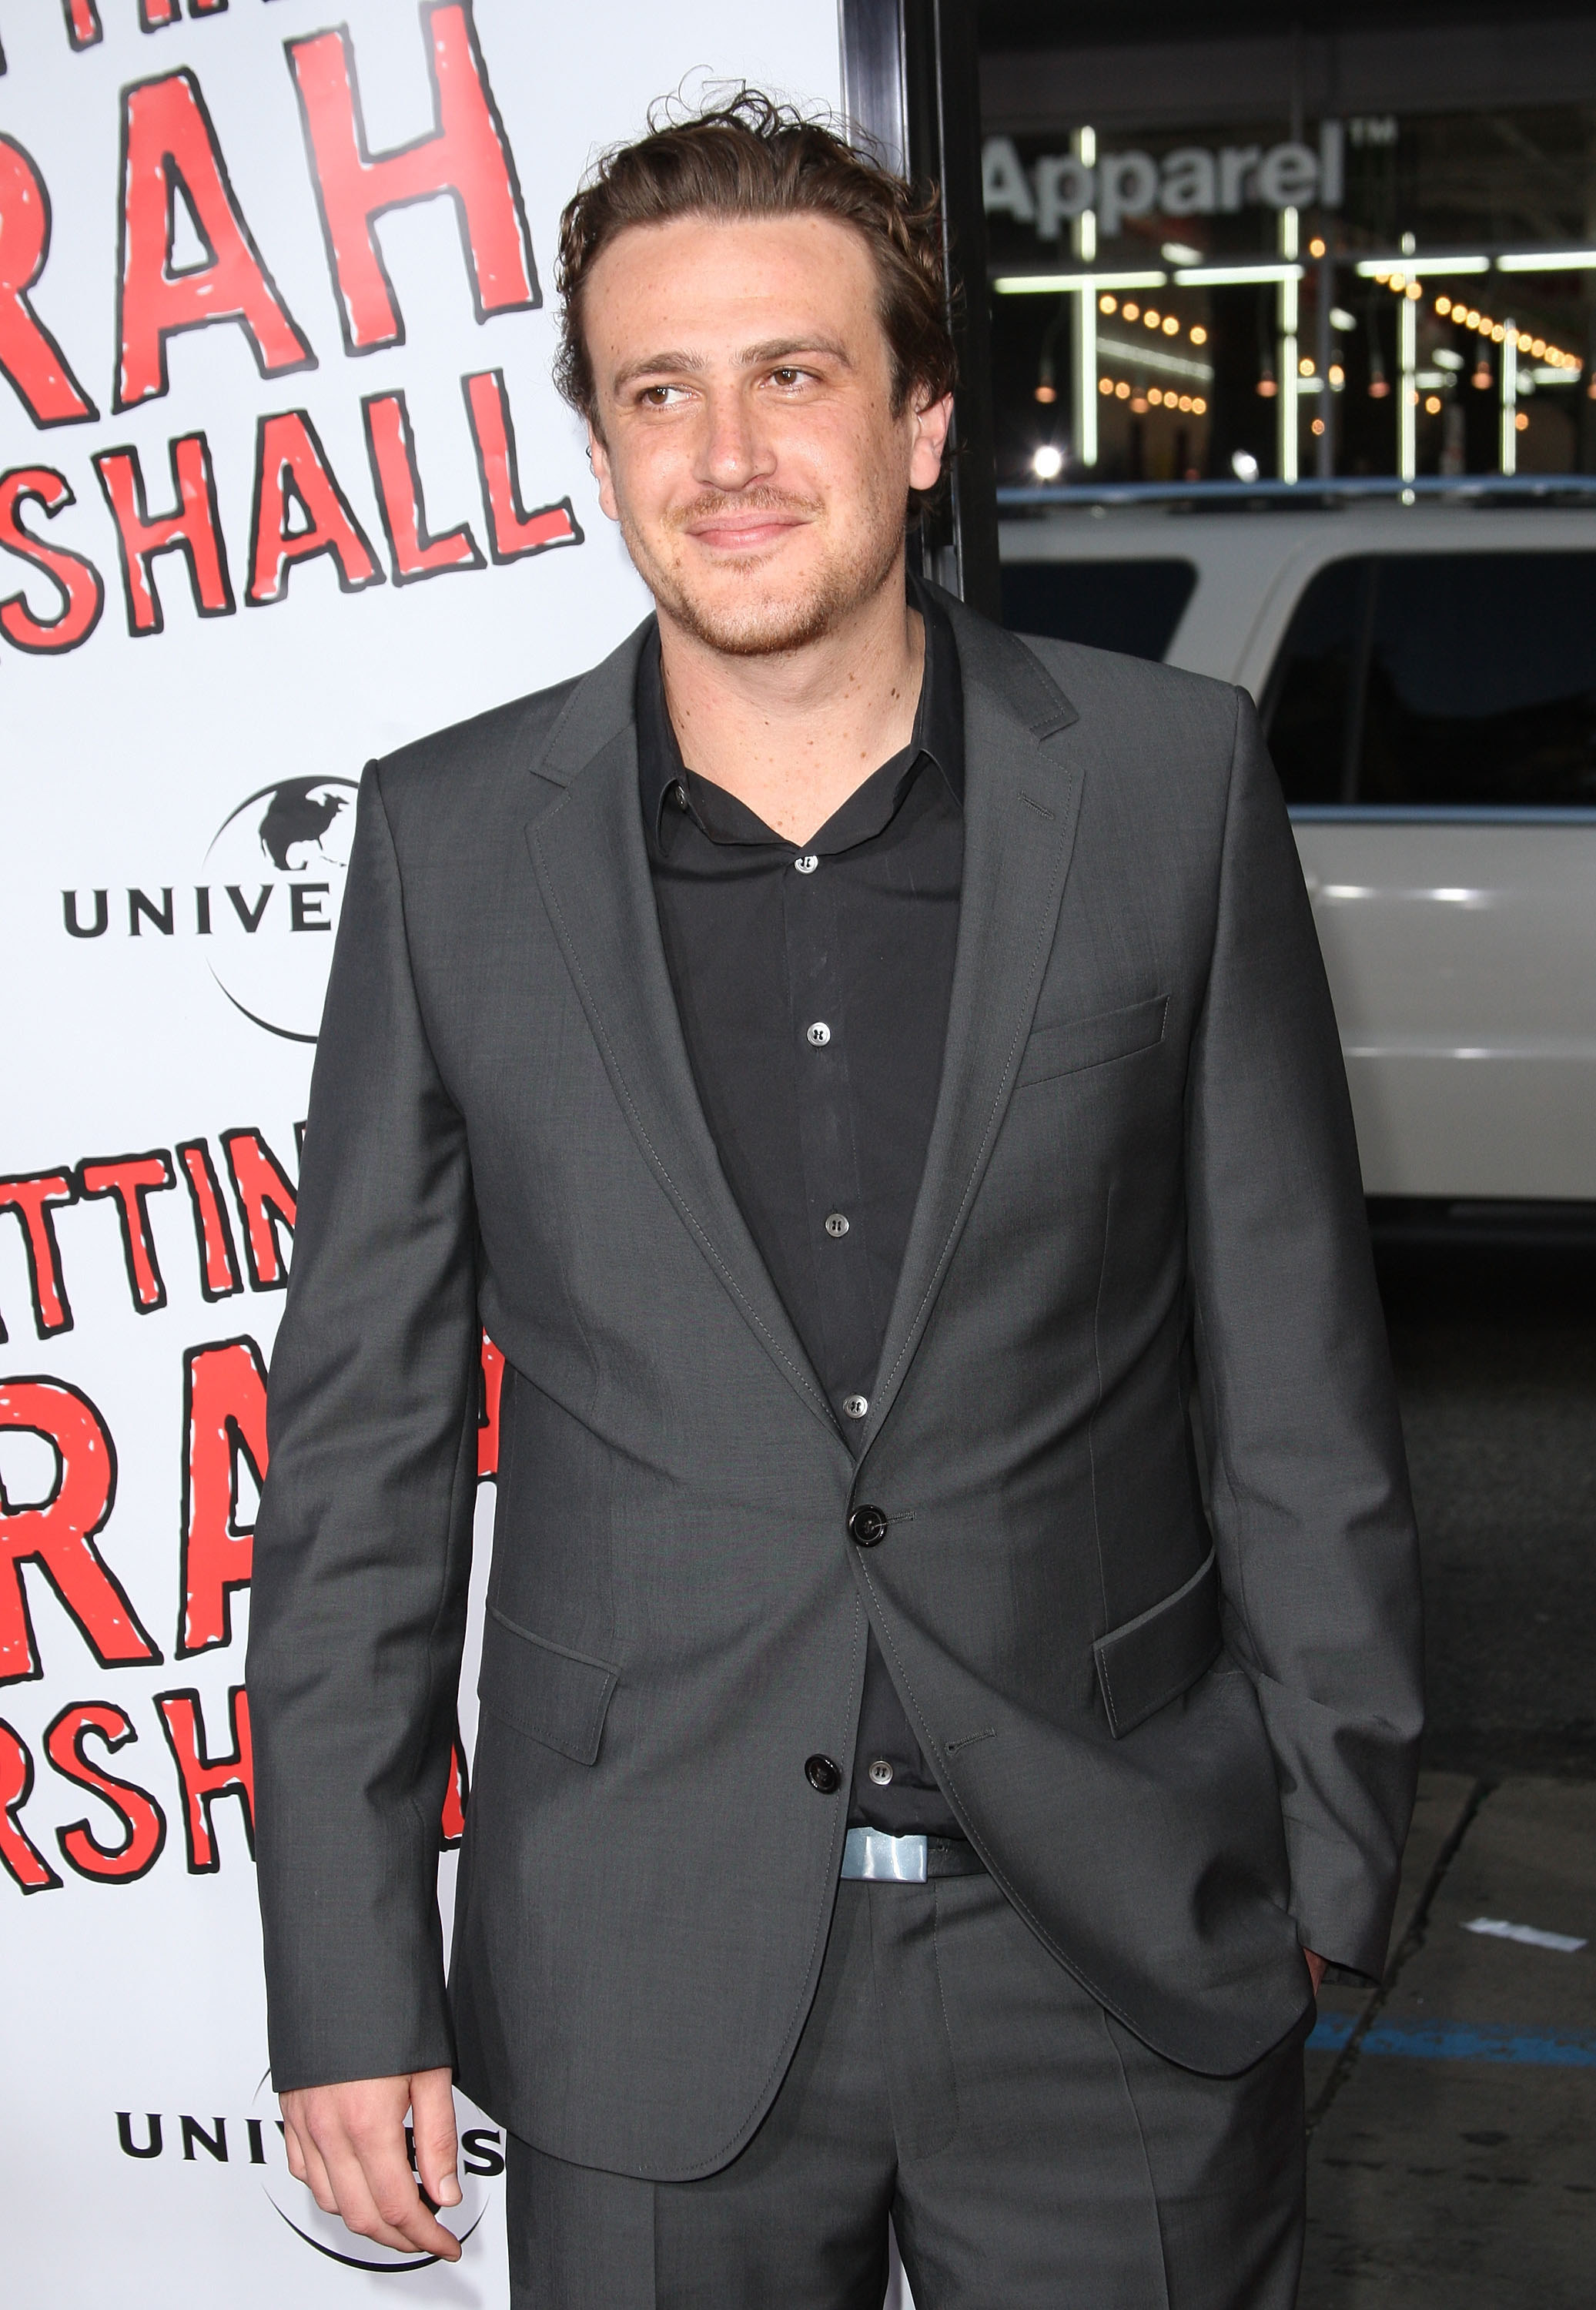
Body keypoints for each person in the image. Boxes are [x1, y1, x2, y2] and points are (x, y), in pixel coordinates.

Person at [248, 92, 1424, 2310]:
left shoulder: (1162, 790)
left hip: (1114, 1958)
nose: (723, 453)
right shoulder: (445, 844)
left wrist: (1329, 1850)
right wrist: (346, 1978)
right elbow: (361, 1470)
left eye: (791, 374)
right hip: (638, 1972)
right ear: (598, 452)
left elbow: (1297, 1374)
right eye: (654, 392)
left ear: (919, 423)